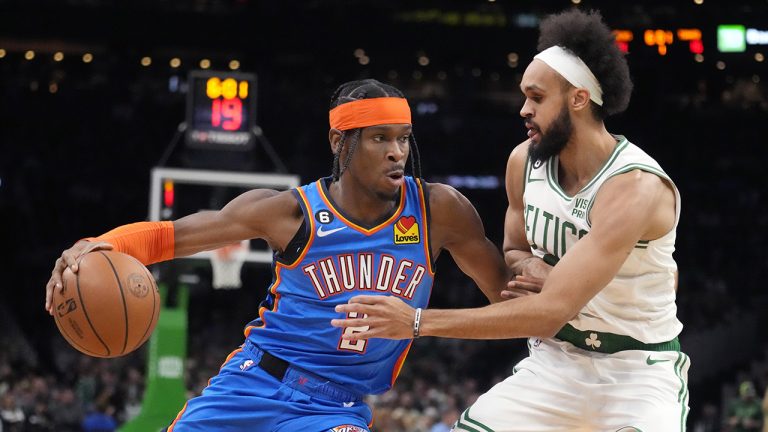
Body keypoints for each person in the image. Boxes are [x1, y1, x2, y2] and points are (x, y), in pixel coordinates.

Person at [45, 79, 508, 432]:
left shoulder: (438, 210)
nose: (397, 153)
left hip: (335, 409)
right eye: (380, 138)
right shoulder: (291, 212)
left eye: (404, 138)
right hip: (253, 385)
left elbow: (508, 299)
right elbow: (173, 237)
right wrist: (97, 245)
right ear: (340, 143)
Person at [332, 9, 689, 431]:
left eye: (537, 98)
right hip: (555, 362)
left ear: (578, 98)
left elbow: (549, 311)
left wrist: (414, 321)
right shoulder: (523, 162)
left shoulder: (633, 187)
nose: (523, 109)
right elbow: (514, 250)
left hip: (636, 371)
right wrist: (534, 267)